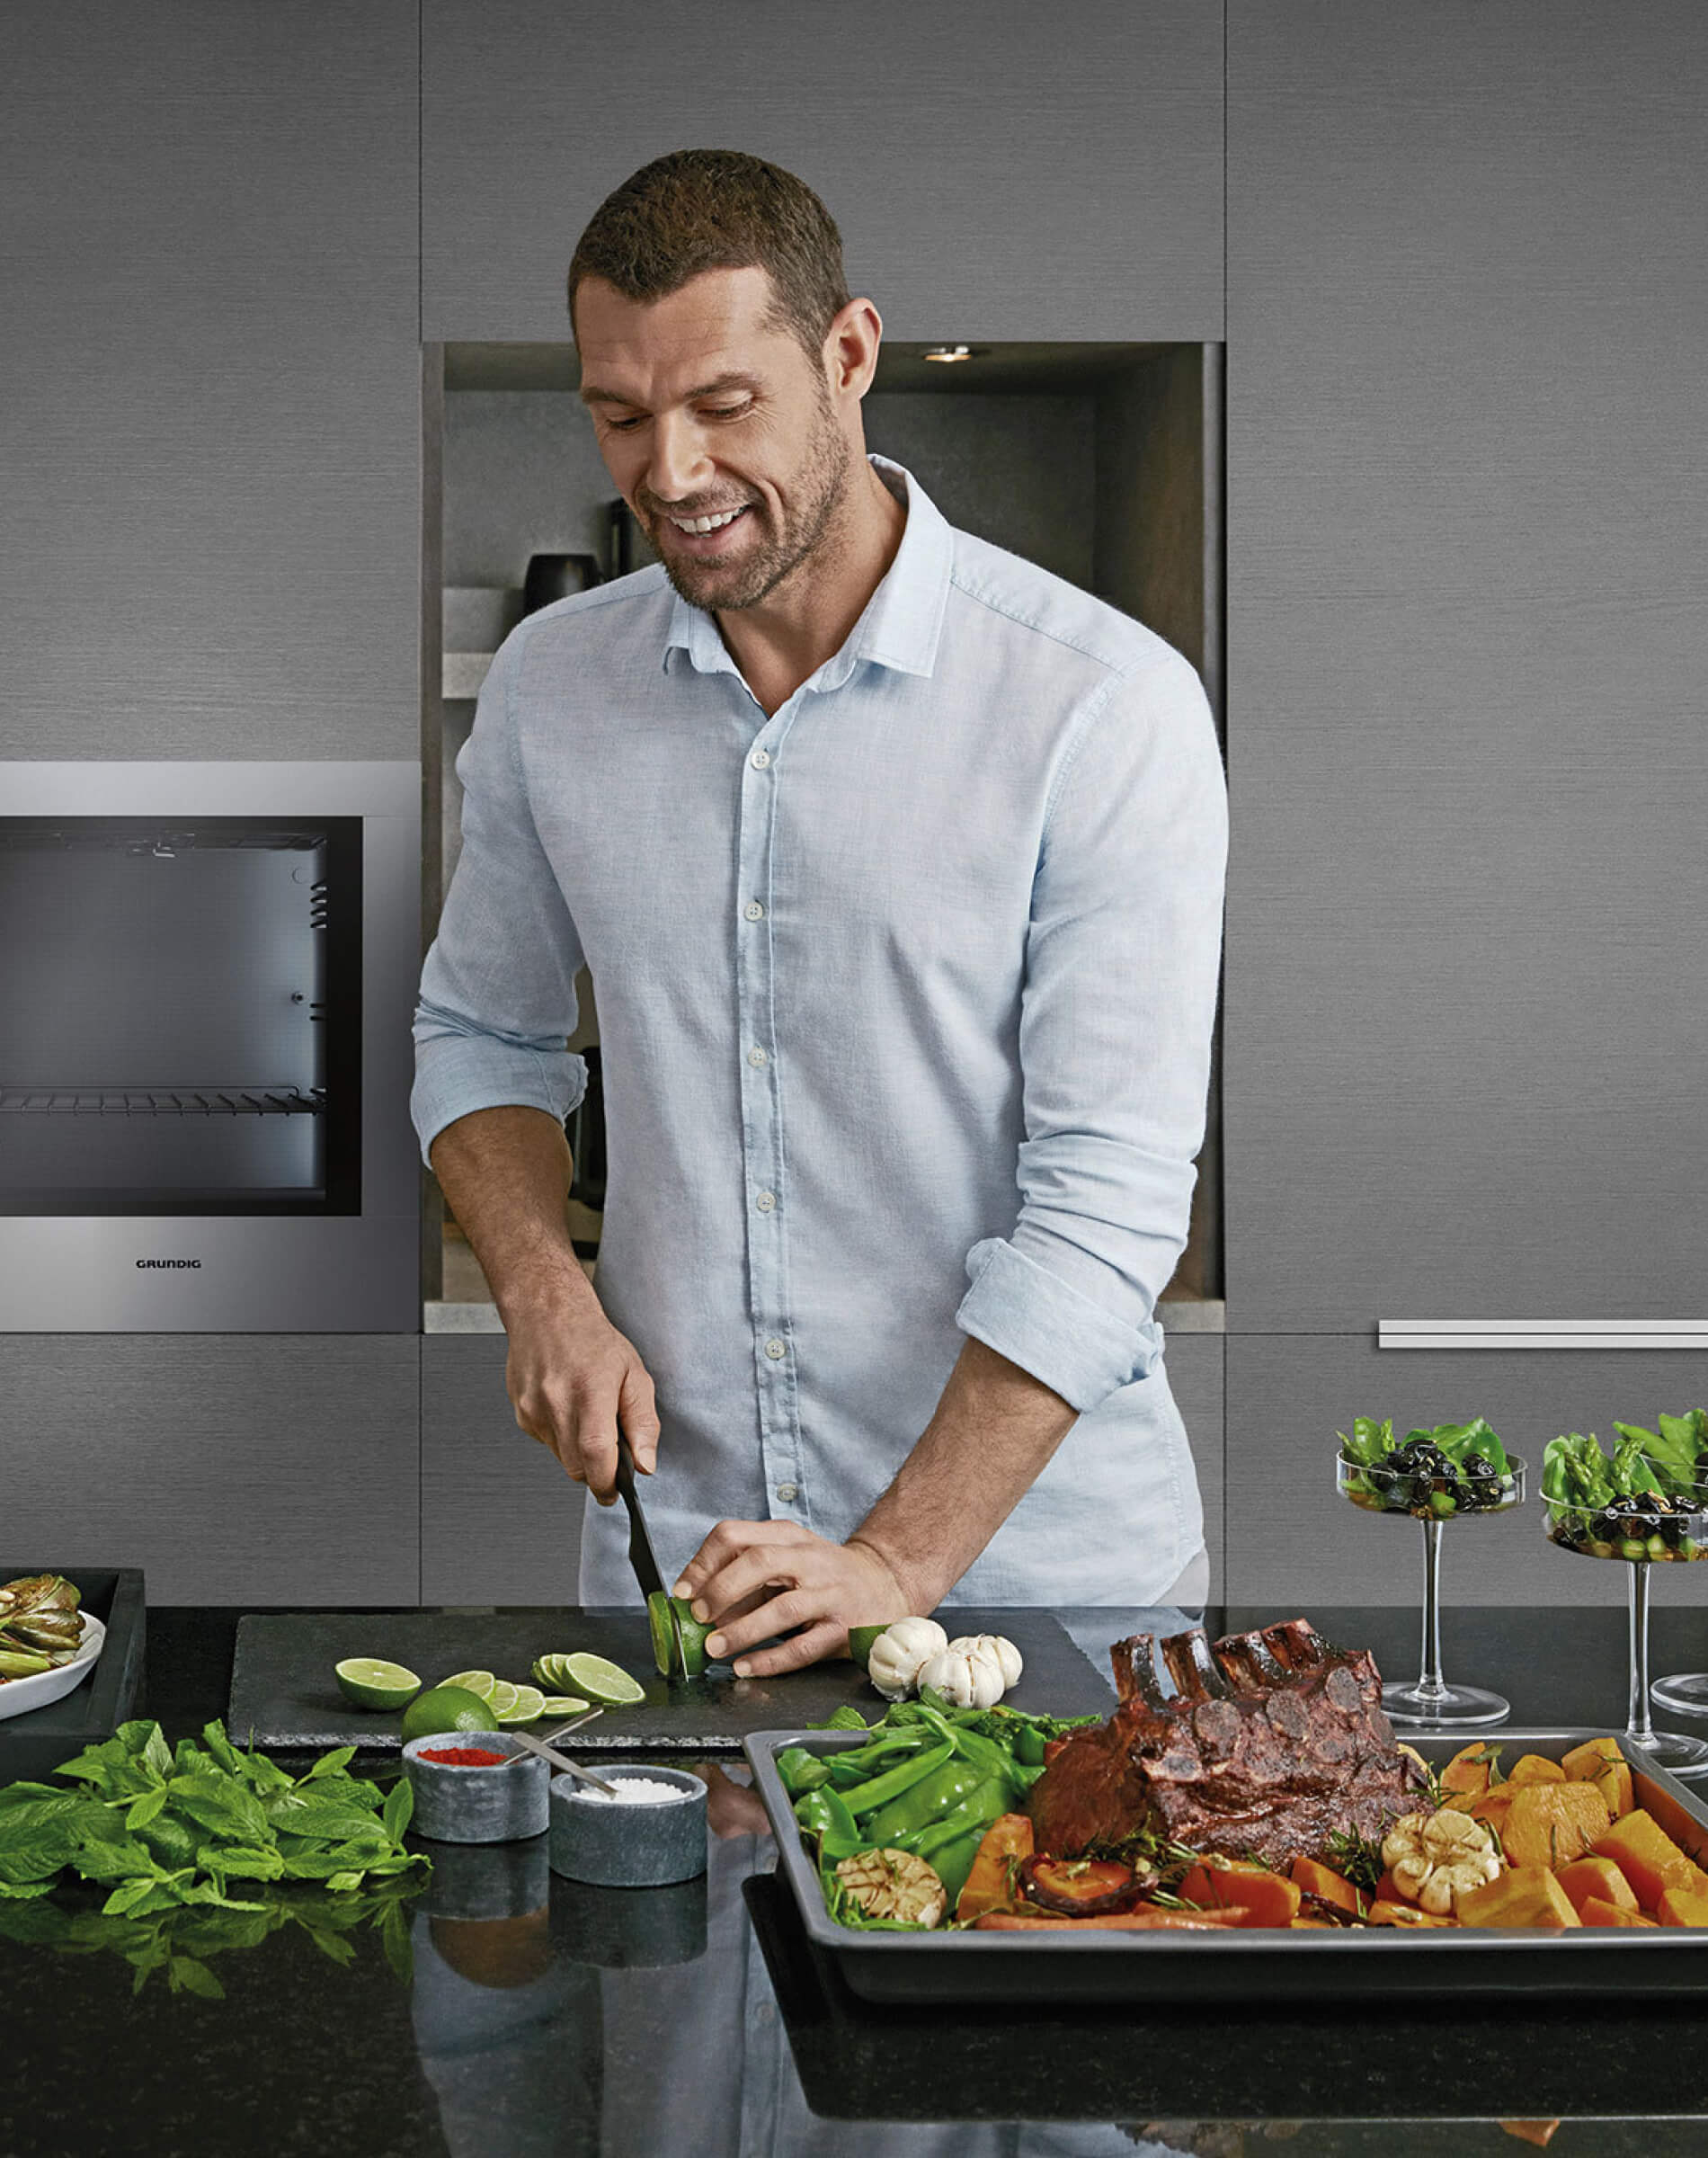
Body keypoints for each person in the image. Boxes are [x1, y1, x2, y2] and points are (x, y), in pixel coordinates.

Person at [413, 149, 1227, 1676]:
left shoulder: (1099, 705)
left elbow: (1111, 1199)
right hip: (690, 1574)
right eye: (621, 415)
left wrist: (893, 1561)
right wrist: (543, 1283)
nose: (668, 471)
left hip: (1035, 1595)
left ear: (849, 356)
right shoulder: (553, 685)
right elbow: (479, 1032)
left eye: (724, 406)